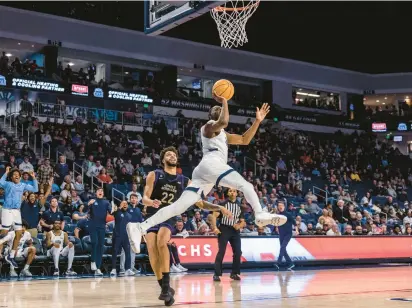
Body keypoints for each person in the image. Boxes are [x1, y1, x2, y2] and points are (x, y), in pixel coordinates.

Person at [127, 95, 287, 254]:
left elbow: (244, 139)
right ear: (211, 116)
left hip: (204, 173)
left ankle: (140, 226)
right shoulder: (209, 127)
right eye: (215, 109)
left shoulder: (223, 134)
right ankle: (259, 214)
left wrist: (257, 121)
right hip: (211, 164)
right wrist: (225, 100)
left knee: (177, 208)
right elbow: (223, 121)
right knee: (246, 185)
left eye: (220, 108)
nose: (218, 109)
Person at [135, 146, 234, 305]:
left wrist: (218, 207)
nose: (172, 156)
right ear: (163, 159)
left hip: (170, 215)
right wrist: (150, 202)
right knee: (152, 248)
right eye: (168, 154)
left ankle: (166, 286)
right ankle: (164, 289)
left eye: (174, 155)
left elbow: (200, 203)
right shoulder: (154, 174)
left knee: (162, 241)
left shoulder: (185, 181)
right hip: (152, 215)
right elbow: (145, 197)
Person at [0, 167, 38, 269]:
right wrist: (6, 173)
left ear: (20, 177)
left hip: (16, 211)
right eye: (14, 174)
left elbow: (35, 189)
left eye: (18, 174)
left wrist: (34, 178)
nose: (16, 175)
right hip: (7, 209)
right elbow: (0, 182)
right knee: (4, 232)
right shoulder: (8, 184)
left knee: (19, 233)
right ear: (11, 178)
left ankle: (11, 256)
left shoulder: (23, 185)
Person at [208, 188, 245, 282]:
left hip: (235, 231)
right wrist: (215, 228)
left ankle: (234, 273)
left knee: (238, 252)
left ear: (237, 193)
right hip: (224, 229)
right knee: (222, 251)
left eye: (234, 191)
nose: (232, 192)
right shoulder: (222, 204)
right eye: (230, 191)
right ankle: (216, 274)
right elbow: (213, 216)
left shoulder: (240, 206)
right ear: (228, 193)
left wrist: (239, 225)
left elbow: (243, 221)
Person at [88, 187, 114, 276]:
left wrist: (114, 208)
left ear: (103, 193)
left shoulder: (106, 202)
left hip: (102, 226)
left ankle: (98, 268)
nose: (100, 192)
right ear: (96, 193)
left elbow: (111, 211)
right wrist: (88, 204)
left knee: (100, 246)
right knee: (94, 242)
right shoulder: (92, 201)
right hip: (93, 225)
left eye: (102, 191)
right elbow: (84, 212)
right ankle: (92, 261)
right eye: (98, 190)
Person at [110, 200, 134, 277]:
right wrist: (118, 208)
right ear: (120, 205)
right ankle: (113, 269)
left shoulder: (129, 215)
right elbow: (112, 213)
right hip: (117, 236)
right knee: (115, 252)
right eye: (123, 203)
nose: (125, 204)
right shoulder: (117, 212)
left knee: (128, 253)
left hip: (126, 237)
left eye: (126, 203)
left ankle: (128, 269)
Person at [275, 201, 298, 270]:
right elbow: (277, 223)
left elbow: (295, 223)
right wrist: (276, 227)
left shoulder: (288, 214)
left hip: (288, 233)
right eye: (279, 205)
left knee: (282, 247)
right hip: (281, 233)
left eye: (281, 205)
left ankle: (278, 262)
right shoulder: (278, 215)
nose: (280, 206)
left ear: (284, 207)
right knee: (283, 249)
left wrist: (296, 230)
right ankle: (290, 263)